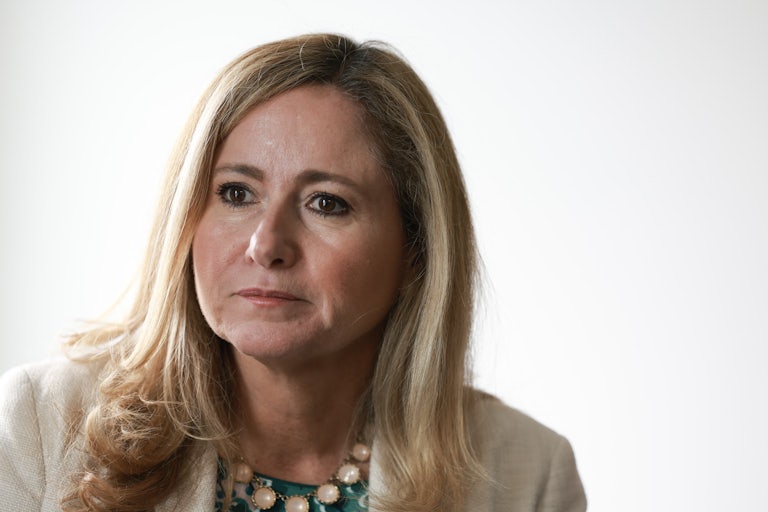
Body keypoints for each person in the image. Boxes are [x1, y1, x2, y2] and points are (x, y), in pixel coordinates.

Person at [0, 33, 586, 512]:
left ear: (418, 249)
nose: (266, 244)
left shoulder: (528, 474)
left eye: (326, 202)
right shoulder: (40, 425)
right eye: (235, 192)